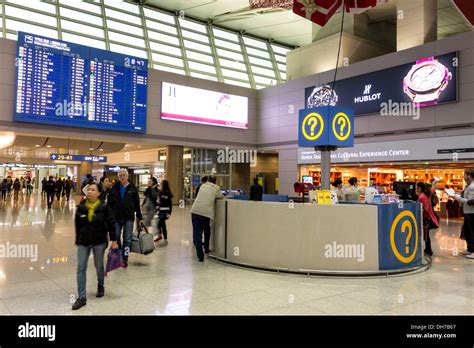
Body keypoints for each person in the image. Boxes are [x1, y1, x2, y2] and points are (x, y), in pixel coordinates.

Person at [72, 183, 118, 310]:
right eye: (89, 189)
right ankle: (81, 297)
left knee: (98, 265)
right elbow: (78, 225)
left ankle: (100, 285)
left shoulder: (104, 207)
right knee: (81, 267)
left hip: (99, 241)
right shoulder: (81, 207)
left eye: (93, 190)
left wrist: (114, 240)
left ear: (98, 193)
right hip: (84, 241)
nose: (90, 191)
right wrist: (78, 239)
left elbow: (111, 223)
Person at [107, 169, 143, 268]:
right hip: (117, 217)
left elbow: (137, 204)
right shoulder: (114, 188)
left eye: (124, 175)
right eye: (120, 175)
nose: (122, 177)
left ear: (127, 176)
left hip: (129, 217)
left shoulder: (132, 188)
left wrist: (140, 217)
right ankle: (118, 256)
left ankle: (125, 258)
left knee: (127, 239)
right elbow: (109, 204)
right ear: (118, 177)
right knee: (116, 236)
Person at [190, 176, 223, 262]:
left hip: (195, 211)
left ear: (208, 180)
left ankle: (200, 256)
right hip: (206, 213)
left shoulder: (202, 186)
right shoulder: (216, 188)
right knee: (207, 231)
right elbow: (220, 196)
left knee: (197, 234)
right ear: (215, 181)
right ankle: (207, 249)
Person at [451, 169, 474, 259]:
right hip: (468, 212)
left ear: (469, 175)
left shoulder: (472, 187)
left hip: (472, 213)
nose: (463, 177)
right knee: (468, 231)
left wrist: (457, 198)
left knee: (472, 232)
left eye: (464, 175)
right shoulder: (469, 186)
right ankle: (470, 249)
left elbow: (471, 202)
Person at [416, 182, 439, 256]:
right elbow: (433, 189)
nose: (416, 189)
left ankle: (428, 250)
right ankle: (428, 249)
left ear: (420, 188)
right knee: (426, 234)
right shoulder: (427, 194)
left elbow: (425, 209)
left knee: (426, 235)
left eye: (417, 187)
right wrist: (434, 183)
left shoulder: (422, 197)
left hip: (425, 218)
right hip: (429, 218)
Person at [155, 180, 173, 246]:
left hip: (165, 212)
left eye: (161, 184)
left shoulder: (168, 193)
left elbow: (170, 204)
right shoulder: (160, 192)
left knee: (161, 224)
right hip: (160, 211)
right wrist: (157, 210)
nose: (160, 184)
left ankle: (165, 239)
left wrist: (169, 213)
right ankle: (160, 236)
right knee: (160, 225)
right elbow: (158, 202)